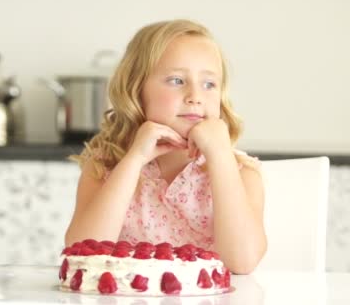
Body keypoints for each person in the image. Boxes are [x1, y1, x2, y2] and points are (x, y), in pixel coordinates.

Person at [64, 19, 267, 274]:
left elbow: (243, 261)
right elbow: (84, 252)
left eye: (209, 84)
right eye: (176, 80)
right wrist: (134, 160)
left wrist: (220, 156)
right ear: (136, 90)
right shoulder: (106, 165)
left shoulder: (241, 172)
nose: (195, 96)